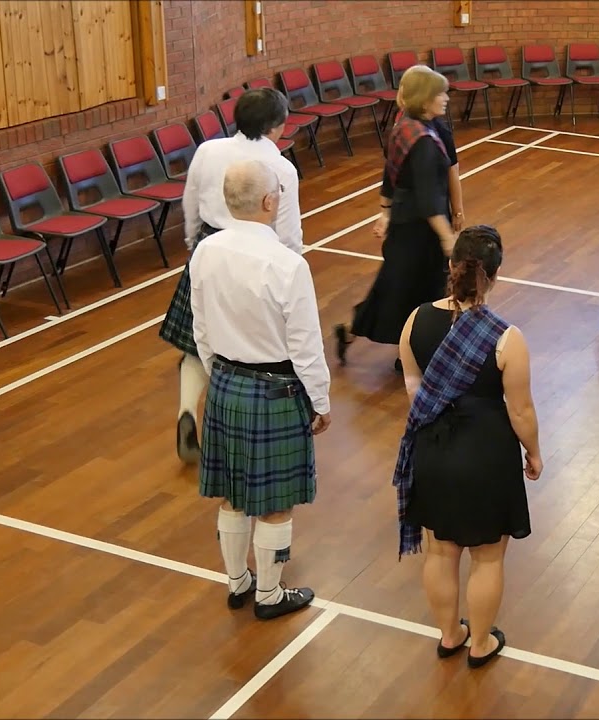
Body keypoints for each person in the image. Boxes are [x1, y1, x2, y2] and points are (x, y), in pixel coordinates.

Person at [392, 225, 541, 668]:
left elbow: (414, 388)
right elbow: (521, 412)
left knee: (440, 549)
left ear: (451, 266)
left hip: (433, 449)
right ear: (493, 276)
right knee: (488, 556)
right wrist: (533, 452)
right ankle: (480, 643)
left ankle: (450, 634)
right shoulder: (506, 336)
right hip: (486, 454)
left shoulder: (415, 319)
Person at [188, 159, 330, 620]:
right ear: (270, 202)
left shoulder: (205, 252)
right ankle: (269, 594)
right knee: (275, 501)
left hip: (227, 382)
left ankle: (237, 583)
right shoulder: (288, 264)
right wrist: (321, 401)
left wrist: (219, 376)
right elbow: (305, 345)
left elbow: (201, 326)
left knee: (232, 492)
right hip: (277, 392)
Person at [161, 87, 303, 463]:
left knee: (197, 339)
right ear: (277, 126)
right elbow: (288, 233)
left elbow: (190, 202)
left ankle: (188, 412)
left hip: (208, 249)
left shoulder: (209, 150)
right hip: (258, 256)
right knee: (247, 347)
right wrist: (292, 273)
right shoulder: (281, 168)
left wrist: (195, 244)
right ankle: (242, 432)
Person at [334, 65, 457, 372]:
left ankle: (399, 350)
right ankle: (384, 344)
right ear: (425, 99)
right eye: (440, 93)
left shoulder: (405, 126)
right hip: (419, 230)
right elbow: (429, 200)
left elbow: (390, 175)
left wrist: (385, 212)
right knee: (411, 292)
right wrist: (447, 238)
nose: (446, 98)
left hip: (406, 224)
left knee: (399, 290)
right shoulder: (425, 142)